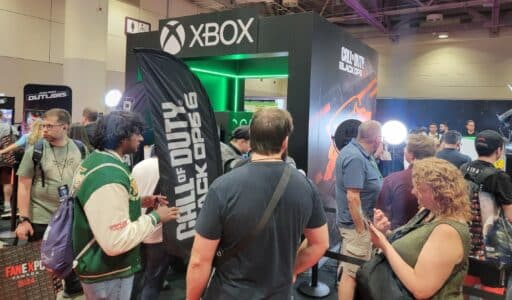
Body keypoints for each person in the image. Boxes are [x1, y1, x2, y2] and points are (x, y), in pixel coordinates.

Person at [186, 108, 328, 300]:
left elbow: (199, 261)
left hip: (229, 293)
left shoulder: (223, 187)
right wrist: (290, 270)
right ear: (285, 142)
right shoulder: (306, 187)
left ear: (251, 141)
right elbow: (320, 243)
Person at [71, 111, 180, 300]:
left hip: (102, 268)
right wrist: (156, 217)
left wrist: (142, 201)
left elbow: (103, 207)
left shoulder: (98, 161)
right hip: (108, 271)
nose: (140, 137)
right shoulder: (108, 175)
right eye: (136, 132)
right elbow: (115, 241)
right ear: (122, 137)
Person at [369, 157, 471, 299]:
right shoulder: (428, 212)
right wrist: (385, 232)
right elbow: (412, 245)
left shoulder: (448, 231)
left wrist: (384, 245)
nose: (413, 192)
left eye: (420, 188)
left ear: (439, 193)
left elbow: (421, 289)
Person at [15, 108, 86, 297]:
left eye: (49, 126)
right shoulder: (36, 150)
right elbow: (23, 186)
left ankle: (71, 288)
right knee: (44, 266)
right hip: (41, 216)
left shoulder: (80, 148)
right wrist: (23, 219)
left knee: (70, 258)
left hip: (70, 216)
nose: (44, 129)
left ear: (64, 127)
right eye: (43, 125)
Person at [335, 120, 383, 300]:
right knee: (351, 275)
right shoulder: (355, 157)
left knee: (355, 272)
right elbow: (352, 198)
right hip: (356, 228)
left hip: (363, 225)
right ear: (377, 139)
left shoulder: (362, 154)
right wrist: (362, 230)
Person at [460, 130, 512, 290]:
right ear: (499, 150)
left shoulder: (463, 169)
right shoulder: (499, 177)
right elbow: (510, 216)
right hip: (491, 250)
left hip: (463, 243)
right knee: (493, 292)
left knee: (463, 289)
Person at [131, 154, 176, 300]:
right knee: (153, 281)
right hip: (158, 230)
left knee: (136, 275)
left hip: (137, 226)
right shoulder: (169, 168)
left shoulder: (138, 166)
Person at [376, 134, 436, 230]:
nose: (404, 150)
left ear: (411, 155)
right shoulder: (443, 179)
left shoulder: (392, 180)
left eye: (406, 148)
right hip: (434, 235)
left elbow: (382, 214)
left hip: (397, 236)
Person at [0, 110, 18, 213]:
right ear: (1, 116)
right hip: (6, 157)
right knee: (7, 182)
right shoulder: (10, 127)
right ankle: (7, 205)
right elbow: (15, 144)